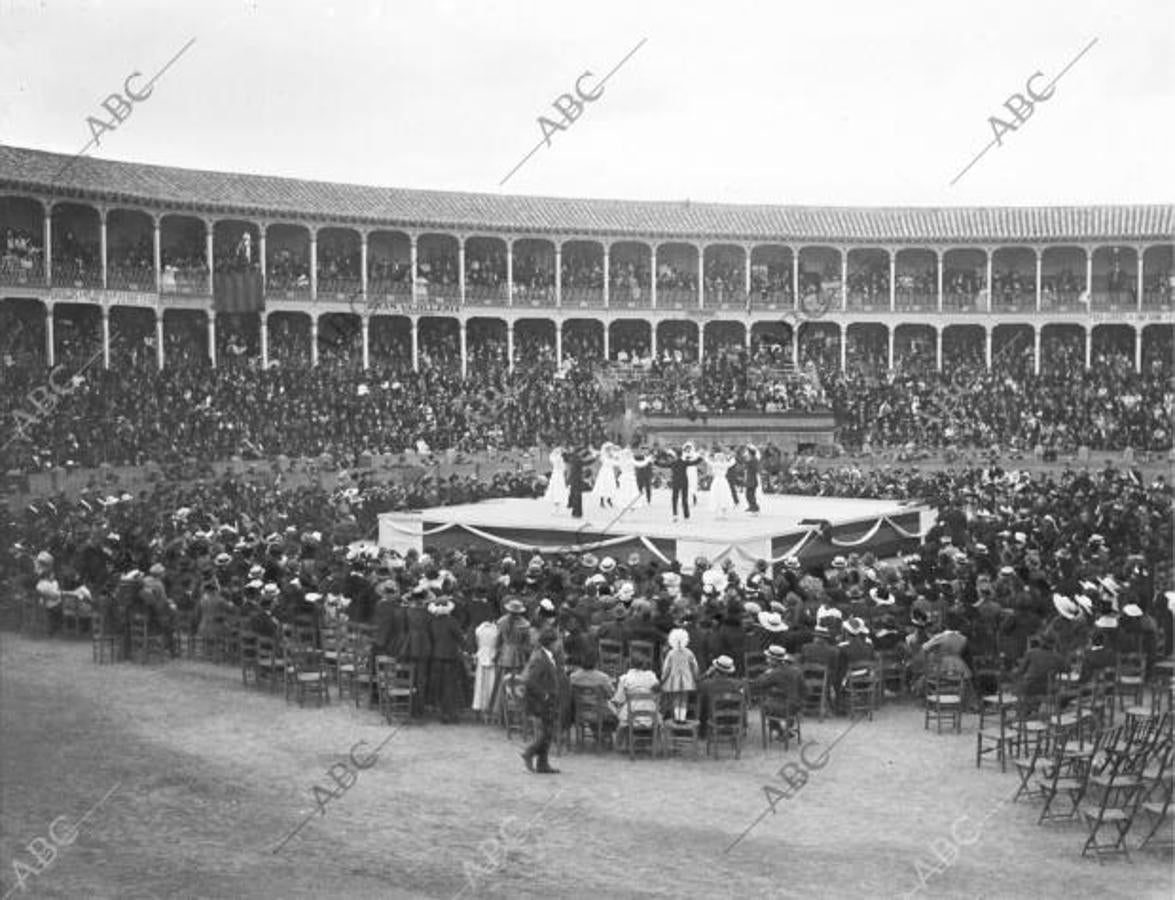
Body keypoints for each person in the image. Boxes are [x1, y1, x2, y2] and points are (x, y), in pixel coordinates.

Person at [520, 628, 561, 774]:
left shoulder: (546, 656)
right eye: (557, 641)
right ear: (550, 643)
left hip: (547, 700)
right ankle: (530, 752)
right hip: (541, 701)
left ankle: (543, 763)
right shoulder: (540, 658)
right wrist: (544, 694)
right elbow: (530, 680)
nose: (558, 644)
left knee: (548, 731)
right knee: (545, 732)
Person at [752, 645, 806, 738]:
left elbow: (759, 684)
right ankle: (785, 727)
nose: (766, 660)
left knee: (766, 704)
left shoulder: (775, 672)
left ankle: (778, 730)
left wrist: (766, 673)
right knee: (773, 699)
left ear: (774, 660)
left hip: (784, 708)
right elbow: (806, 690)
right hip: (797, 706)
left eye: (768, 658)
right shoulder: (797, 670)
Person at [660, 627, 699, 722]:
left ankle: (677, 718)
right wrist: (696, 677)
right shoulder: (689, 653)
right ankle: (683, 718)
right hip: (687, 679)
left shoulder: (671, 653)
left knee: (676, 699)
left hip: (674, 679)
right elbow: (695, 666)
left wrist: (662, 679)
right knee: (684, 699)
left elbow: (666, 668)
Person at [656, 447, 703, 522]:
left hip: (676, 482)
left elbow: (663, 465)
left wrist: (655, 461)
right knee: (684, 499)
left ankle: (675, 515)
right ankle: (686, 516)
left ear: (675, 455)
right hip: (684, 482)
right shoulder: (684, 462)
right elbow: (695, 462)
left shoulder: (673, 463)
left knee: (675, 499)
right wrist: (700, 456)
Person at [544, 445, 569, 513]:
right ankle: (557, 505)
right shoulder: (563, 459)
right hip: (558, 475)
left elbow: (551, 458)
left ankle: (557, 506)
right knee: (558, 490)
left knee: (557, 490)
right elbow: (564, 468)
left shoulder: (557, 458)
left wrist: (555, 452)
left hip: (557, 475)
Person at [742, 443, 761, 514]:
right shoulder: (752, 459)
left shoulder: (752, 460)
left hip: (752, 480)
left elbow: (746, 463)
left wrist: (746, 458)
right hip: (750, 479)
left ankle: (754, 507)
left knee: (750, 494)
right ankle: (752, 506)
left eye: (747, 452)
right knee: (749, 494)